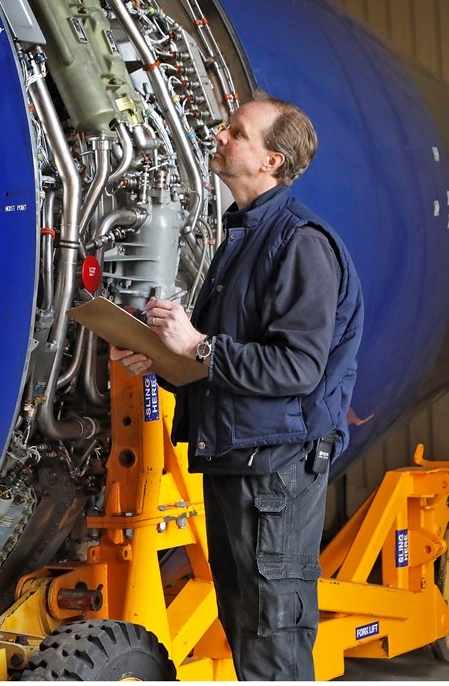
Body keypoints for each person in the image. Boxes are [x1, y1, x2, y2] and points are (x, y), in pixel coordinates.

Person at [110, 91, 364, 680]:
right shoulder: (242, 239)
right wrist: (162, 361)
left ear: (272, 160)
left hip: (273, 471)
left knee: (271, 638)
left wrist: (197, 346)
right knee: (246, 627)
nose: (220, 136)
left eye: (238, 132)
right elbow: (227, 366)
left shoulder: (300, 244)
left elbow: (296, 369)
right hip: (237, 461)